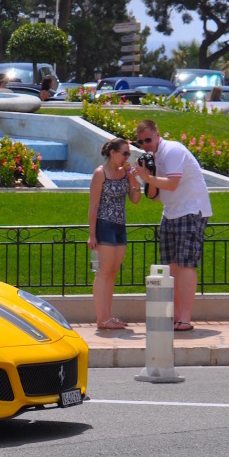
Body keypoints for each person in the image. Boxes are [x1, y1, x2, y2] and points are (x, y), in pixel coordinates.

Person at [134, 118, 213, 332]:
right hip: (170, 212)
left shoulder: (173, 150)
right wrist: (146, 177)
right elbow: (154, 197)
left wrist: (147, 178)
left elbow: (173, 183)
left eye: (148, 140)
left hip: (190, 209)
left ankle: (184, 318)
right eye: (140, 142)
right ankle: (175, 316)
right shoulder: (155, 158)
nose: (145, 145)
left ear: (157, 134)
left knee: (186, 264)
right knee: (170, 266)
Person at [87, 137, 142, 329]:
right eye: (124, 153)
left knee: (112, 272)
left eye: (129, 154)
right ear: (113, 153)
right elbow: (93, 206)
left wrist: (134, 178)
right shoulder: (100, 173)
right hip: (104, 225)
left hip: (120, 226)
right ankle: (102, 318)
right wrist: (92, 235)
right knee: (104, 272)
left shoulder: (126, 174)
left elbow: (135, 199)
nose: (127, 157)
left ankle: (108, 316)